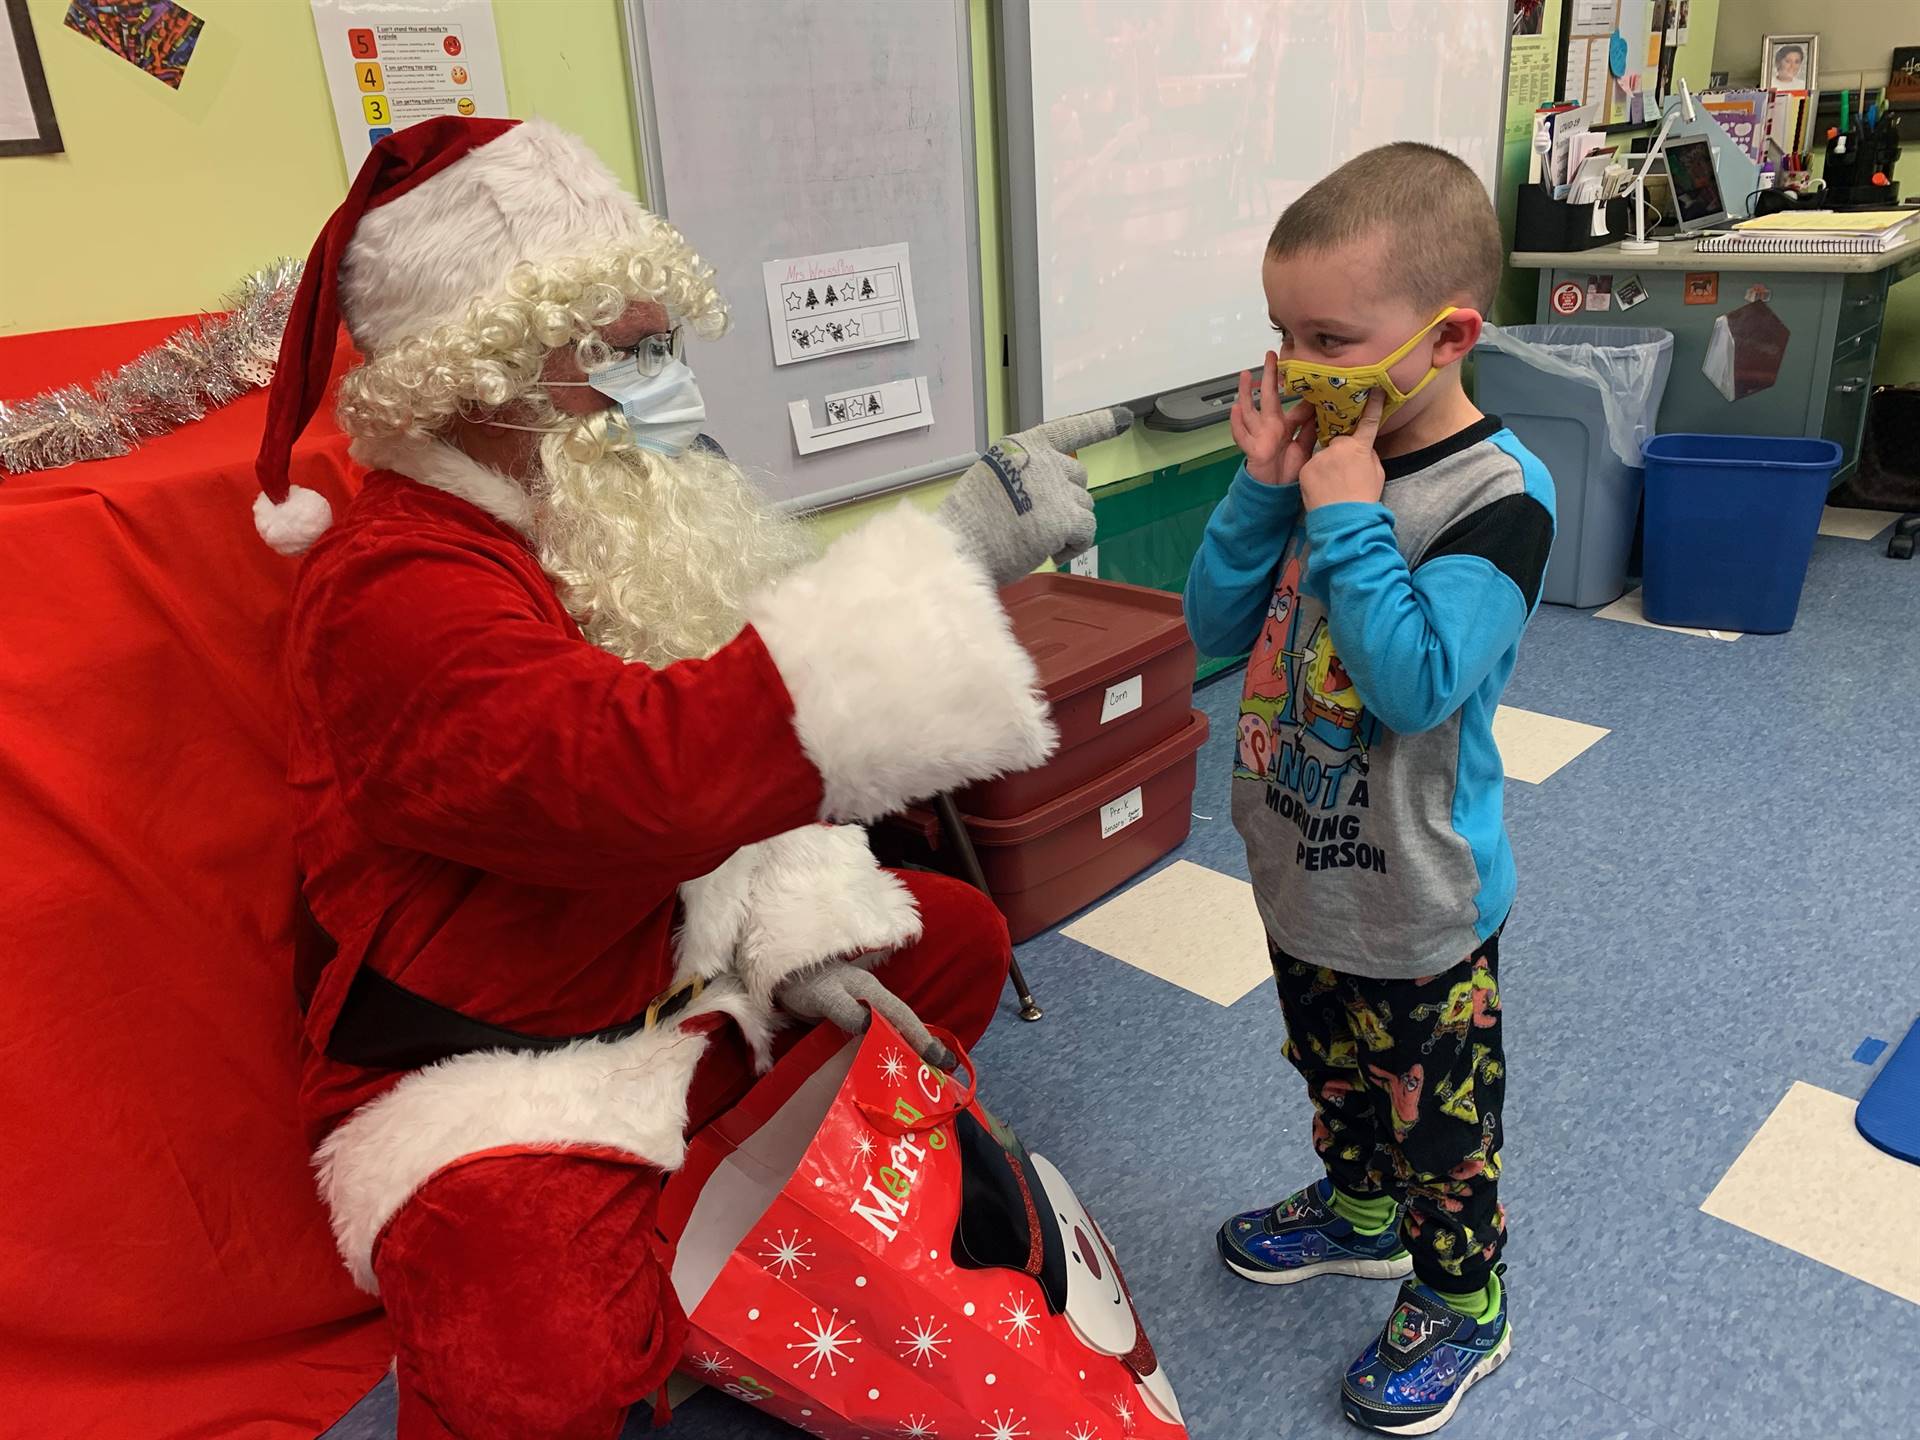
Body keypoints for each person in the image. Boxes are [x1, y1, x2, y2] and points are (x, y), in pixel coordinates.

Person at [252, 116, 1127, 1440]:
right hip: (487, 1068)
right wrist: (944, 555)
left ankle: (693, 1225)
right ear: (482, 373)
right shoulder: (393, 587)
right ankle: (637, 1254)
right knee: (537, 1377)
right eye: (621, 352)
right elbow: (632, 777)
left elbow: (712, 745)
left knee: (947, 944)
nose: (660, 390)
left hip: (656, 968)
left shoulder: (583, 528)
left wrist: (792, 940)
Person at [1184, 142, 1555, 1434]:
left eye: (1331, 336)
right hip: (1300, 861)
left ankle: (1465, 1300)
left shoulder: (1498, 498)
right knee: (1333, 1072)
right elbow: (1213, 630)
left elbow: (1412, 686)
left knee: (1440, 1127)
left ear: (1447, 335)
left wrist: (1342, 515)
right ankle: (1355, 1214)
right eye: (1282, 334)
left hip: (1419, 897)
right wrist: (1261, 487)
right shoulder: (1328, 454)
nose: (1299, 368)